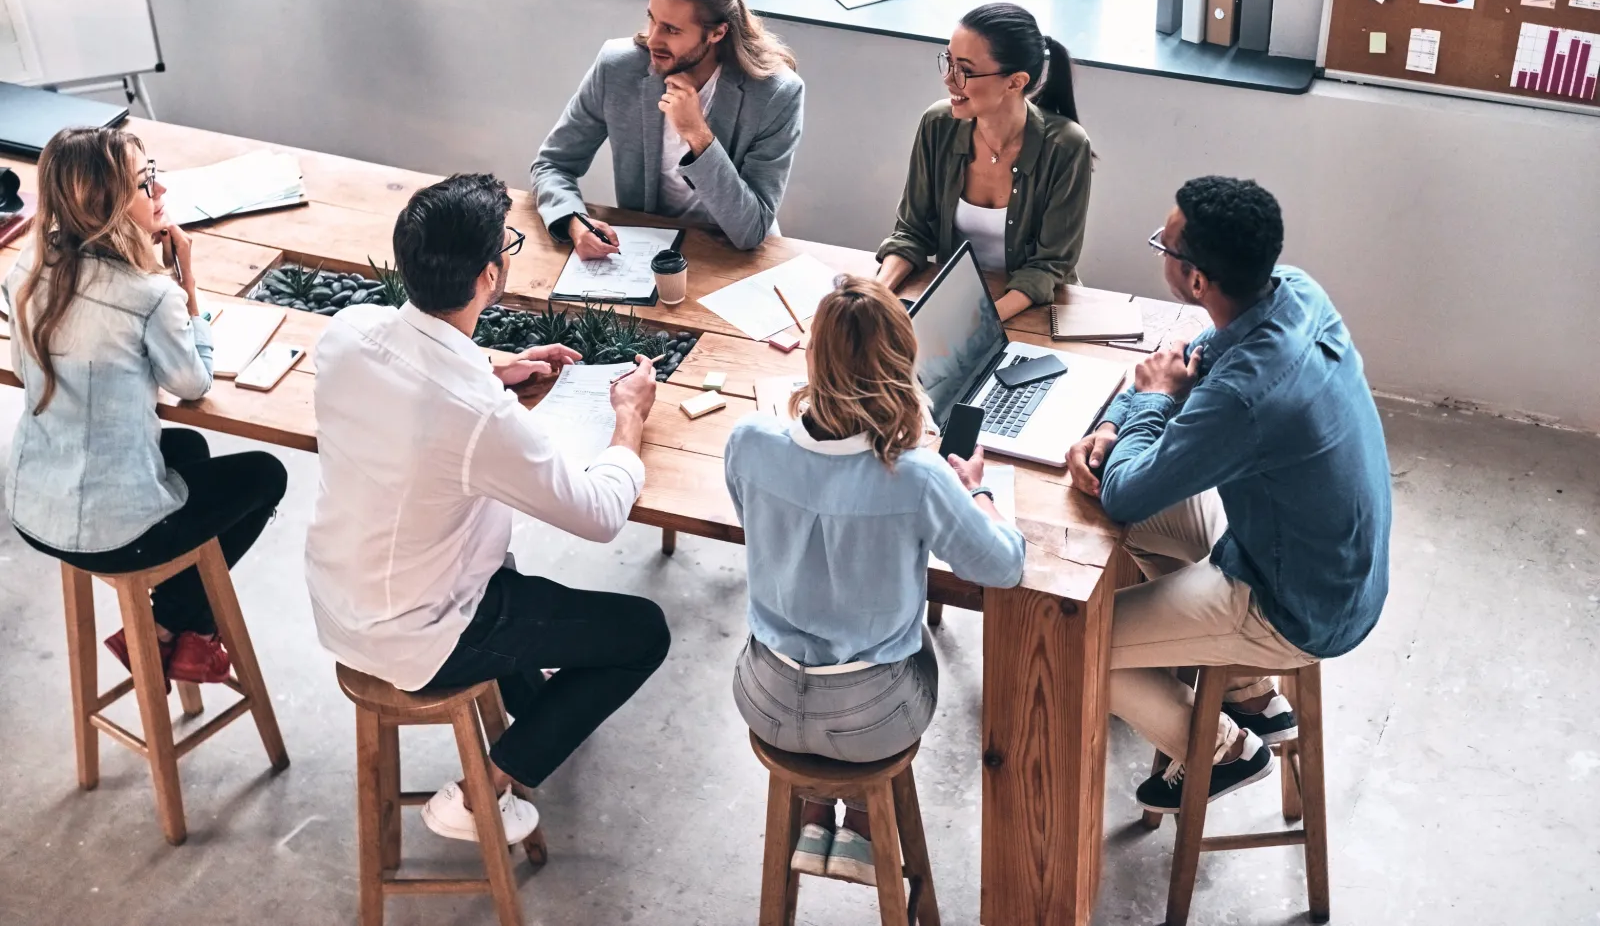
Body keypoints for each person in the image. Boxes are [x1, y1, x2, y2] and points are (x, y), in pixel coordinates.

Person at [304, 172, 670, 846]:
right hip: (424, 635)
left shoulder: (348, 332)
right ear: (491, 276)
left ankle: (533, 704)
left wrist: (494, 369)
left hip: (336, 600)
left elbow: (414, 385)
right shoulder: (478, 417)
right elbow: (598, 514)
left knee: (508, 573)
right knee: (643, 631)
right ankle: (486, 786)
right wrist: (628, 420)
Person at [1067, 176, 1390, 813]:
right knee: (1146, 506)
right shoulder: (1293, 291)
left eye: (1165, 243)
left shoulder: (1244, 395)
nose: (1159, 249)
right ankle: (1245, 686)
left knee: (1071, 640)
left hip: (1292, 606)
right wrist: (1114, 423)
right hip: (1320, 560)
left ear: (1194, 281)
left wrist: (1152, 403)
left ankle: (1222, 748)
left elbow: (1129, 492)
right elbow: (1184, 367)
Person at [724, 275, 1025, 885]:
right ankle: (861, 820)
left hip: (764, 696)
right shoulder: (916, 477)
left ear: (813, 357)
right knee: (914, 645)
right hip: (871, 719)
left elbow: (755, 524)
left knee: (827, 629)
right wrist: (979, 492)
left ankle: (811, 809)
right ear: (901, 366)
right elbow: (1003, 567)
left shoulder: (748, 442)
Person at [4, 127, 288, 685]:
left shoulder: (30, 266)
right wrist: (186, 283)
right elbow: (194, 381)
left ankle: (171, 632)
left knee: (189, 446)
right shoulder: (149, 295)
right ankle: (172, 629)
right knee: (266, 475)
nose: (158, 190)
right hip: (110, 532)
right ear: (105, 205)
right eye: (142, 183)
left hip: (33, 506)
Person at [532, 0, 804, 254]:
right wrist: (574, 220)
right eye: (652, 19)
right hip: (646, 249)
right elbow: (552, 164)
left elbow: (751, 230)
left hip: (732, 256)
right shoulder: (618, 67)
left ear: (716, 32)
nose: (652, 40)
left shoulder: (775, 95)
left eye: (672, 30)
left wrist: (697, 134)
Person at [876, 2, 1092, 323]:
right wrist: (874, 294)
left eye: (965, 69)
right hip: (952, 302)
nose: (949, 79)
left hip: (1033, 313)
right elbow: (912, 233)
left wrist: (980, 322)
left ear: (1015, 81)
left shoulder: (1067, 146)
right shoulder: (938, 124)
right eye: (948, 61)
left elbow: (1048, 266)